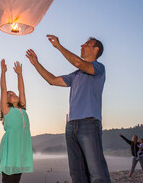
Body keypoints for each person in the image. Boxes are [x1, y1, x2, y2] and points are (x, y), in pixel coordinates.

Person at [26, 35, 110, 183]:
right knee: (77, 174)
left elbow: (78, 62)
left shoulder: (99, 68)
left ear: (96, 49)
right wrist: (35, 63)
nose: (82, 45)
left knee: (97, 174)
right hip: (71, 126)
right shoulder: (75, 75)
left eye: (87, 44)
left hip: (89, 124)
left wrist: (58, 46)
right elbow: (52, 80)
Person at [0, 59, 33, 183]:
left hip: (21, 146)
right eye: (10, 94)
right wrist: (3, 72)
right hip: (11, 146)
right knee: (8, 178)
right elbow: (3, 89)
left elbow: (22, 90)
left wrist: (19, 74)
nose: (13, 94)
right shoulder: (7, 110)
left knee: (16, 178)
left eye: (13, 93)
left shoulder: (22, 108)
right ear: (6, 101)